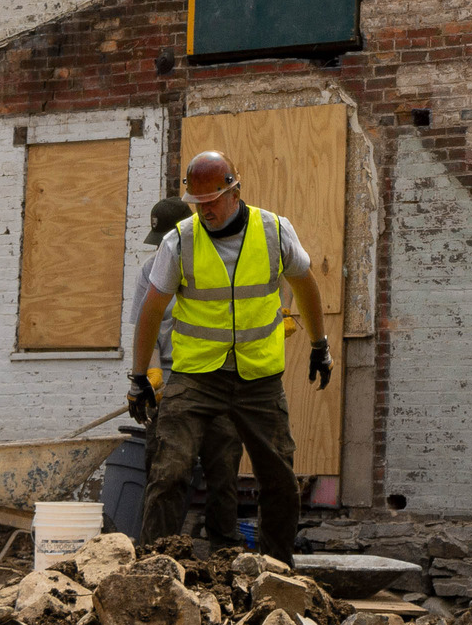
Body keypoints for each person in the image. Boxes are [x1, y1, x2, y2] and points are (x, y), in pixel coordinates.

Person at [128, 150, 330, 562]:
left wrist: (319, 344)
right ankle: (152, 570)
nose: (205, 212)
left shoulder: (274, 230)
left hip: (259, 379)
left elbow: (306, 284)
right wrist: (139, 376)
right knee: (169, 471)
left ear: (235, 192)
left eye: (212, 202)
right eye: (197, 205)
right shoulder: (179, 240)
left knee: (279, 478)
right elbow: (150, 311)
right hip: (196, 376)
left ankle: (278, 569)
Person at [137, 195, 245, 546]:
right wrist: (152, 378)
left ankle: (223, 553)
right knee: (166, 470)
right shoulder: (148, 271)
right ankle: (158, 552)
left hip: (218, 377)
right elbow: (146, 330)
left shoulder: (215, 266)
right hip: (170, 381)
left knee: (224, 469)